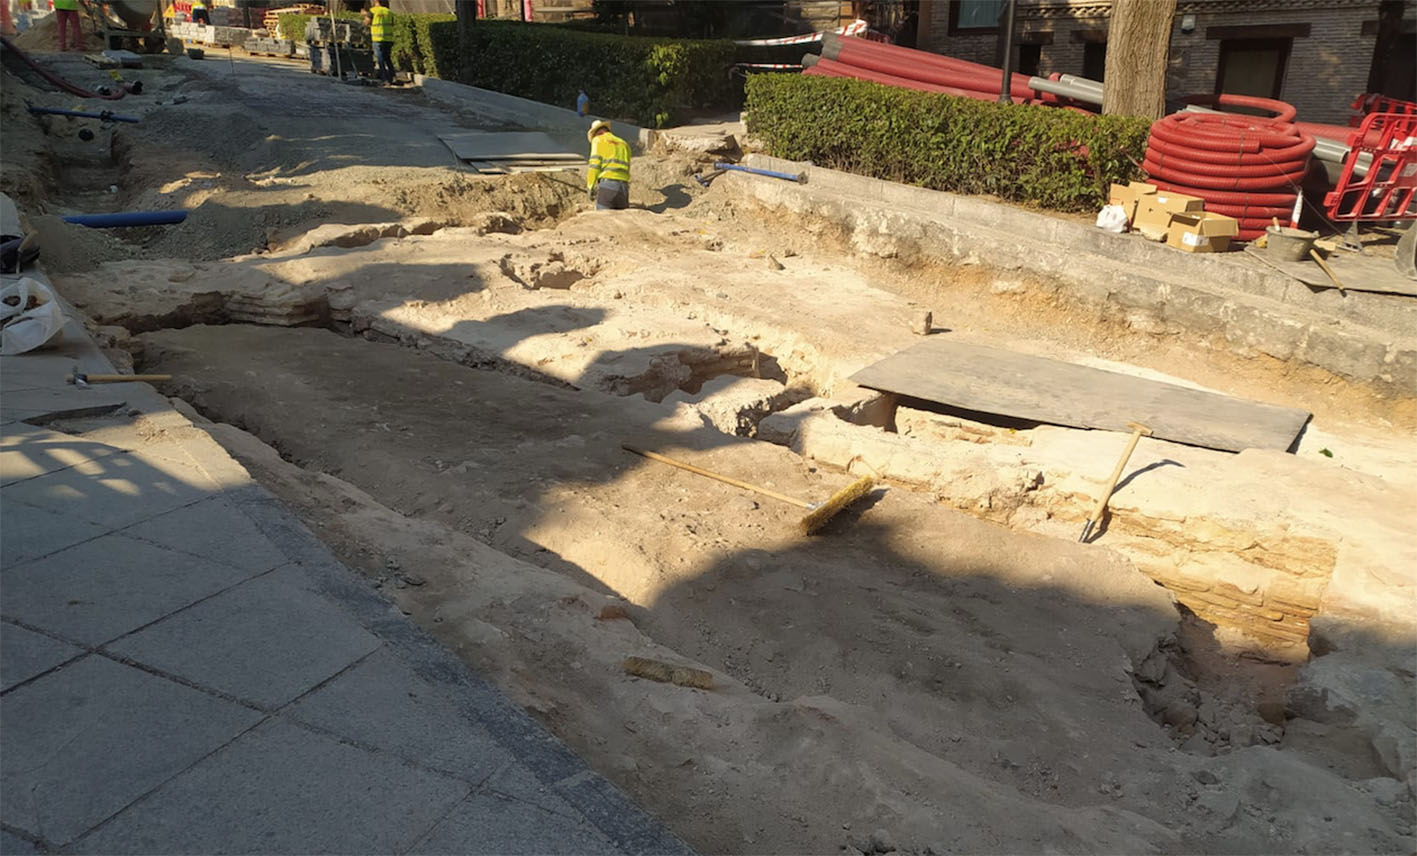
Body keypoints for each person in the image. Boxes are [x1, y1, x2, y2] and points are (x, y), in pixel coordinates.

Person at [586, 119, 630, 211]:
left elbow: (594, 165)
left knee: (603, 221)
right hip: (624, 188)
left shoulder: (598, 140)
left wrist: (590, 186)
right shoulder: (623, 143)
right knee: (622, 222)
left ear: (596, 133)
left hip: (608, 185)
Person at [364, 0, 393, 84]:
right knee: (387, 58)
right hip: (388, 39)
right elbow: (392, 23)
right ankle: (392, 76)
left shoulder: (372, 11)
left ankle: (384, 78)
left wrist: (365, 15)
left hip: (377, 39)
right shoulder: (389, 12)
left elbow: (366, 22)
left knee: (380, 59)